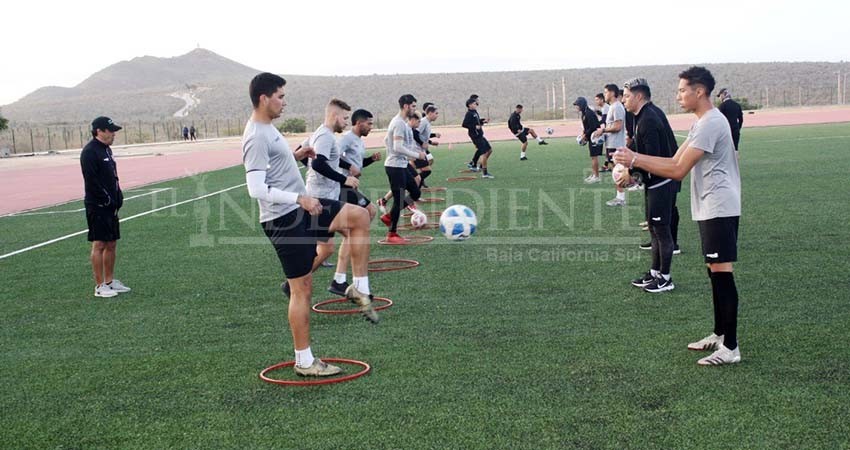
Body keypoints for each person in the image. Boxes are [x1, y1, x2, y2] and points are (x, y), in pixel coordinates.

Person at [242, 73, 378, 378]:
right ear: (264, 98)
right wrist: (299, 199)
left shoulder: (269, 128)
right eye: (280, 96)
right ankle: (304, 361)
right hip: (283, 218)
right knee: (301, 288)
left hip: (301, 206)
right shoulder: (256, 135)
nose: (284, 102)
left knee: (358, 216)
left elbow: (275, 166)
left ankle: (359, 287)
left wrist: (296, 155)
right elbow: (255, 188)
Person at [614, 66, 743, 365]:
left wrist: (633, 159)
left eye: (683, 90)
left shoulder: (711, 122)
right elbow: (672, 160)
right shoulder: (702, 122)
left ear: (699, 91)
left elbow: (677, 170)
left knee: (722, 273)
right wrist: (635, 167)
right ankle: (720, 335)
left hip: (719, 206)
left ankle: (731, 348)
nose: (679, 95)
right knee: (713, 270)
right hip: (710, 205)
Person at [619, 78, 678, 293]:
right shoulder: (640, 116)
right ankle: (655, 273)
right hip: (655, 181)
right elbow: (638, 147)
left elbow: (651, 157)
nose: (623, 100)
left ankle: (665, 278)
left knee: (661, 230)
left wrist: (631, 174)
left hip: (662, 180)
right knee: (653, 227)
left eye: (626, 96)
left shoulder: (649, 119)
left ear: (639, 96)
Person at [304, 98, 361, 293]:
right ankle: (340, 280)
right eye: (345, 118)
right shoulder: (325, 136)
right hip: (321, 200)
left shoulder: (321, 133)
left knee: (327, 248)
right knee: (355, 229)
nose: (346, 122)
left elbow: (305, 155)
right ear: (334, 116)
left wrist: (346, 166)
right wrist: (343, 179)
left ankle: (295, 282)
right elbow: (319, 164)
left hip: (322, 197)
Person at [332, 109, 381, 295]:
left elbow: (356, 166)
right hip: (341, 186)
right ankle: (347, 276)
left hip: (350, 186)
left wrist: (369, 160)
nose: (371, 127)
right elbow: (333, 158)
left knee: (352, 232)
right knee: (369, 210)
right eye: (369, 123)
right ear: (359, 123)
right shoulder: (345, 139)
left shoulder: (358, 141)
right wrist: (348, 167)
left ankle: (339, 279)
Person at [80, 116, 131, 298]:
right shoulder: (90, 152)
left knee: (111, 243)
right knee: (99, 243)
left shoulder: (107, 150)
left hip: (111, 205)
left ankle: (110, 282)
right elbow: (91, 180)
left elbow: (113, 177)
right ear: (99, 131)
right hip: (98, 205)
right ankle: (99, 286)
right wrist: (106, 199)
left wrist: (117, 196)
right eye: (110, 131)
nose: (113, 134)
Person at [383, 94, 427, 244]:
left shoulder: (402, 123)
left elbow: (387, 140)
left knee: (415, 192)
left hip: (401, 165)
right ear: (406, 106)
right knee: (399, 198)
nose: (415, 109)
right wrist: (417, 155)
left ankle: (390, 215)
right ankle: (392, 234)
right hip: (394, 166)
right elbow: (397, 146)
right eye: (413, 106)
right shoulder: (399, 123)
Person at [593, 84, 627, 206]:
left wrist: (603, 130)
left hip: (617, 144)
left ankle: (621, 198)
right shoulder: (613, 107)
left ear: (612, 93)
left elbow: (618, 127)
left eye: (606, 92)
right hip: (611, 143)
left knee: (618, 171)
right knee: (615, 171)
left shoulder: (617, 107)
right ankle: (619, 196)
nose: (605, 95)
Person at [462, 97, 494, 178]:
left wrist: (483, 121)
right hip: (475, 136)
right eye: (474, 103)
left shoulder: (474, 112)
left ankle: (481, 166)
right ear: (469, 105)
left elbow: (477, 121)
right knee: (484, 153)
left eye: (475, 103)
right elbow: (464, 124)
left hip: (480, 135)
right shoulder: (469, 113)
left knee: (489, 150)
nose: (475, 104)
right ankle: (485, 173)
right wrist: (475, 127)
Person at [573, 97, 603, 183]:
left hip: (595, 138)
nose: (576, 107)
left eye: (577, 105)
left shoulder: (589, 113)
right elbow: (586, 127)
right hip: (591, 137)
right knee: (592, 157)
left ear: (582, 104)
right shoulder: (584, 113)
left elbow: (593, 127)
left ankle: (596, 176)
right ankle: (594, 175)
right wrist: (583, 134)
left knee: (594, 157)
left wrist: (585, 135)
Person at [416, 105, 440, 187]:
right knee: (427, 171)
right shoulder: (423, 122)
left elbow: (424, 135)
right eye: (436, 113)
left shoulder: (427, 122)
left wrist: (430, 142)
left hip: (421, 150)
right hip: (417, 150)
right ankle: (413, 181)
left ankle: (417, 187)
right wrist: (422, 143)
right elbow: (416, 133)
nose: (437, 115)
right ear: (430, 113)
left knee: (425, 168)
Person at [717, 88, 743, 154]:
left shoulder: (722, 106)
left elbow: (718, 120)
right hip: (735, 130)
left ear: (723, 95)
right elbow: (741, 119)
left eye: (720, 96)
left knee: (725, 150)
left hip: (726, 131)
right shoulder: (737, 105)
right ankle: (735, 164)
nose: (720, 98)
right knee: (735, 149)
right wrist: (738, 128)